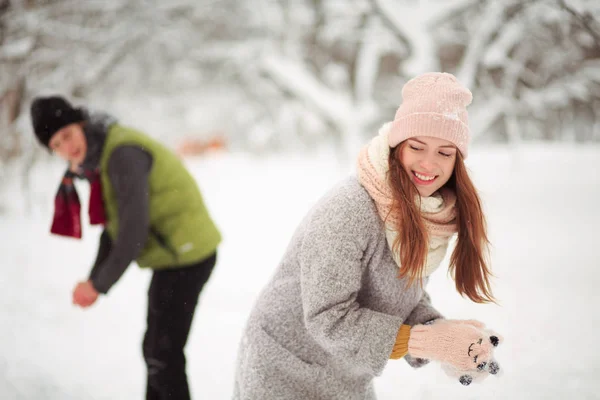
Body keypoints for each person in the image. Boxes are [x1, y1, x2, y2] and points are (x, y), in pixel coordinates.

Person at [232, 72, 503, 400]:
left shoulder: (432, 214)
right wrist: (425, 341)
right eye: (417, 146)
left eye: (445, 152)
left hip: (346, 371)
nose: (429, 163)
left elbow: (398, 294)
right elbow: (328, 316)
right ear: (396, 147)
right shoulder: (349, 209)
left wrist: (442, 334)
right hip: (286, 366)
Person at [30, 96, 222, 400]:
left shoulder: (120, 154)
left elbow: (133, 231)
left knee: (163, 353)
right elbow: (114, 228)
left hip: (187, 256)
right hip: (173, 257)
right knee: (156, 351)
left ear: (80, 123)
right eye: (55, 145)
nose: (66, 148)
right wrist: (95, 278)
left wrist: (98, 284)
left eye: (66, 135)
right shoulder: (102, 155)